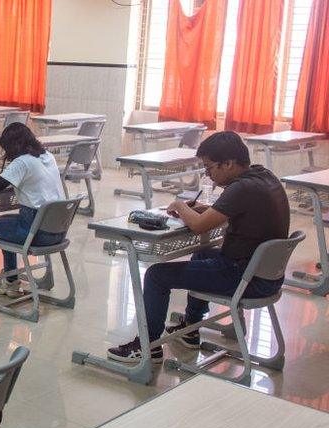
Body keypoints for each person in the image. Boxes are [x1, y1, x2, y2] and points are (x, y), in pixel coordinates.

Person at [107, 131, 289, 364]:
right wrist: (206, 210)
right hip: (265, 276)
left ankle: (147, 346)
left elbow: (200, 227)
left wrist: (181, 207)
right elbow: (233, 214)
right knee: (203, 252)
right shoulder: (264, 177)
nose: (207, 173)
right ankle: (191, 328)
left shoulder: (242, 188)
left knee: (156, 275)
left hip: (244, 277)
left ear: (229, 164)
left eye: (210, 167)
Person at [0, 123, 66, 296]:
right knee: (4, 221)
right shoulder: (48, 156)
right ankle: (11, 280)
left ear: (11, 146)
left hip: (35, 232)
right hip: (57, 231)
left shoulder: (22, 162)